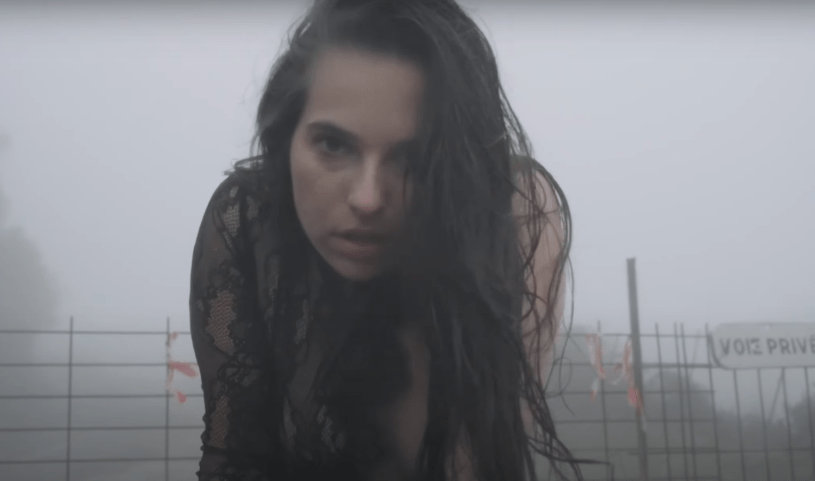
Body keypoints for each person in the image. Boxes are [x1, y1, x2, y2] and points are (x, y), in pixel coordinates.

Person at [189, 0, 588, 479]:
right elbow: (233, 458)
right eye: (333, 145)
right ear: (285, 137)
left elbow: (474, 463)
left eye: (412, 159)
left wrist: (443, 277)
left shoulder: (512, 213)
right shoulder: (251, 220)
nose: (368, 199)